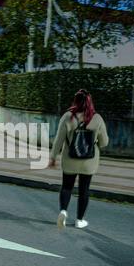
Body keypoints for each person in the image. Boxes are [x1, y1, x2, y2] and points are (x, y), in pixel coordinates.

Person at [48, 89, 109, 229]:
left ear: (75, 100)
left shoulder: (67, 117)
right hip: (89, 162)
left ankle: (63, 211)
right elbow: (104, 142)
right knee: (84, 190)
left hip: (70, 159)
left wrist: (52, 157)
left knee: (67, 187)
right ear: (90, 102)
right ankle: (79, 220)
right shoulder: (97, 118)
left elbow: (58, 139)